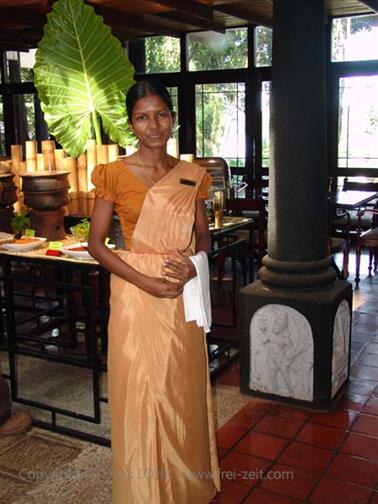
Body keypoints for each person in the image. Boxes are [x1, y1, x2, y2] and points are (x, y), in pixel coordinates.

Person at [88, 80, 220, 503]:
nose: (154, 125)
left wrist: (192, 268)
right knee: (140, 390)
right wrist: (146, 282)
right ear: (131, 124)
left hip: (181, 293)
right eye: (143, 117)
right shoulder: (113, 173)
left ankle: (186, 485)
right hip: (134, 291)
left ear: (173, 119)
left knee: (180, 388)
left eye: (161, 114)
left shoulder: (192, 176)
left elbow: (204, 238)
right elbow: (95, 244)